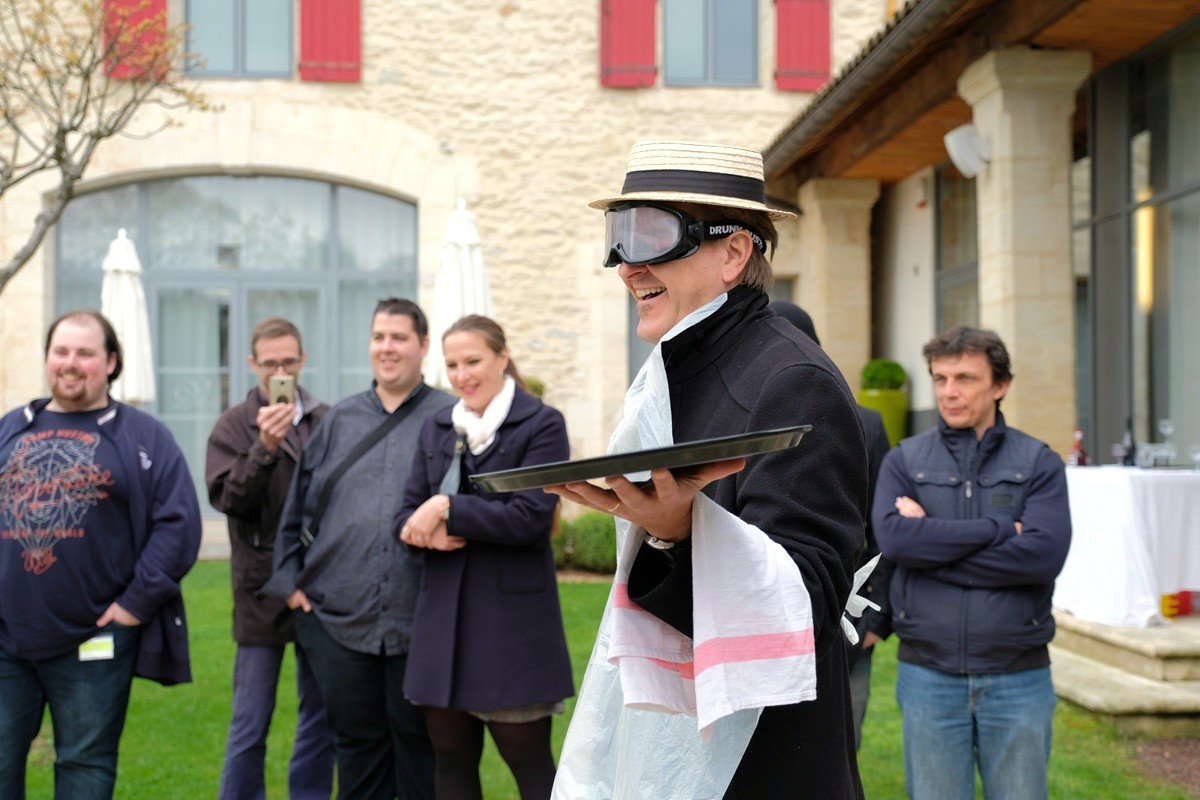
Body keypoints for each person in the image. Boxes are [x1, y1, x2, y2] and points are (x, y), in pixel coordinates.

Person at [548, 141, 869, 798]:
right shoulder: (680, 373)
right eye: (620, 238)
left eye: (654, 235)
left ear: (733, 252)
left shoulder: (792, 382)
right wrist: (667, 532)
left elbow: (808, 606)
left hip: (764, 763)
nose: (626, 267)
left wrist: (676, 532)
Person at [0, 309, 201, 799]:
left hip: (94, 640)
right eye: (61, 351)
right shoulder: (10, 429)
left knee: (85, 768)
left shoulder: (143, 436)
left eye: (85, 353)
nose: (70, 363)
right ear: (47, 358)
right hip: (6, 640)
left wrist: (133, 606)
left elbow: (179, 526)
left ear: (111, 362)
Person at [264, 298, 453, 800]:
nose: (386, 348)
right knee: (356, 748)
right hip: (336, 620)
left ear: (423, 347)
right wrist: (291, 590)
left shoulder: (451, 419)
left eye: (398, 338)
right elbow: (297, 511)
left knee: (421, 750)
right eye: (378, 337)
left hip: (422, 620)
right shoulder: (338, 421)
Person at [872, 326, 1072, 800]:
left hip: (1018, 676)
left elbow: (1042, 556)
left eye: (964, 378)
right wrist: (999, 531)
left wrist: (931, 548)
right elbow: (896, 542)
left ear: (1000, 385)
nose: (949, 391)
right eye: (940, 379)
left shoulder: (1039, 463)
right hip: (928, 676)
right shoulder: (905, 460)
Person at [396, 314, 573, 800]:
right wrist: (422, 531)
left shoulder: (541, 425)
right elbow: (404, 516)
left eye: (472, 361)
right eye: (451, 365)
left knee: (531, 766)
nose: (461, 375)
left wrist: (448, 507)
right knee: (450, 763)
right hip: (443, 626)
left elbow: (530, 518)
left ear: (502, 357)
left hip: (510, 629)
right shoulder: (437, 427)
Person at [205, 316, 335, 800]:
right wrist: (263, 449)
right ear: (253, 364)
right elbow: (228, 500)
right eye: (270, 363)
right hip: (260, 589)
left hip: (317, 589)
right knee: (250, 720)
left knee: (320, 718)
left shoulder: (326, 419)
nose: (280, 370)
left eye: (288, 361)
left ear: (302, 360)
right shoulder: (234, 425)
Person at [767, 300, 895, 751]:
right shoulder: (749, 419)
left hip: (846, 614)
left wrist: (878, 614)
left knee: (843, 743)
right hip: (769, 615)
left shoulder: (865, 422)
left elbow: (883, 527)